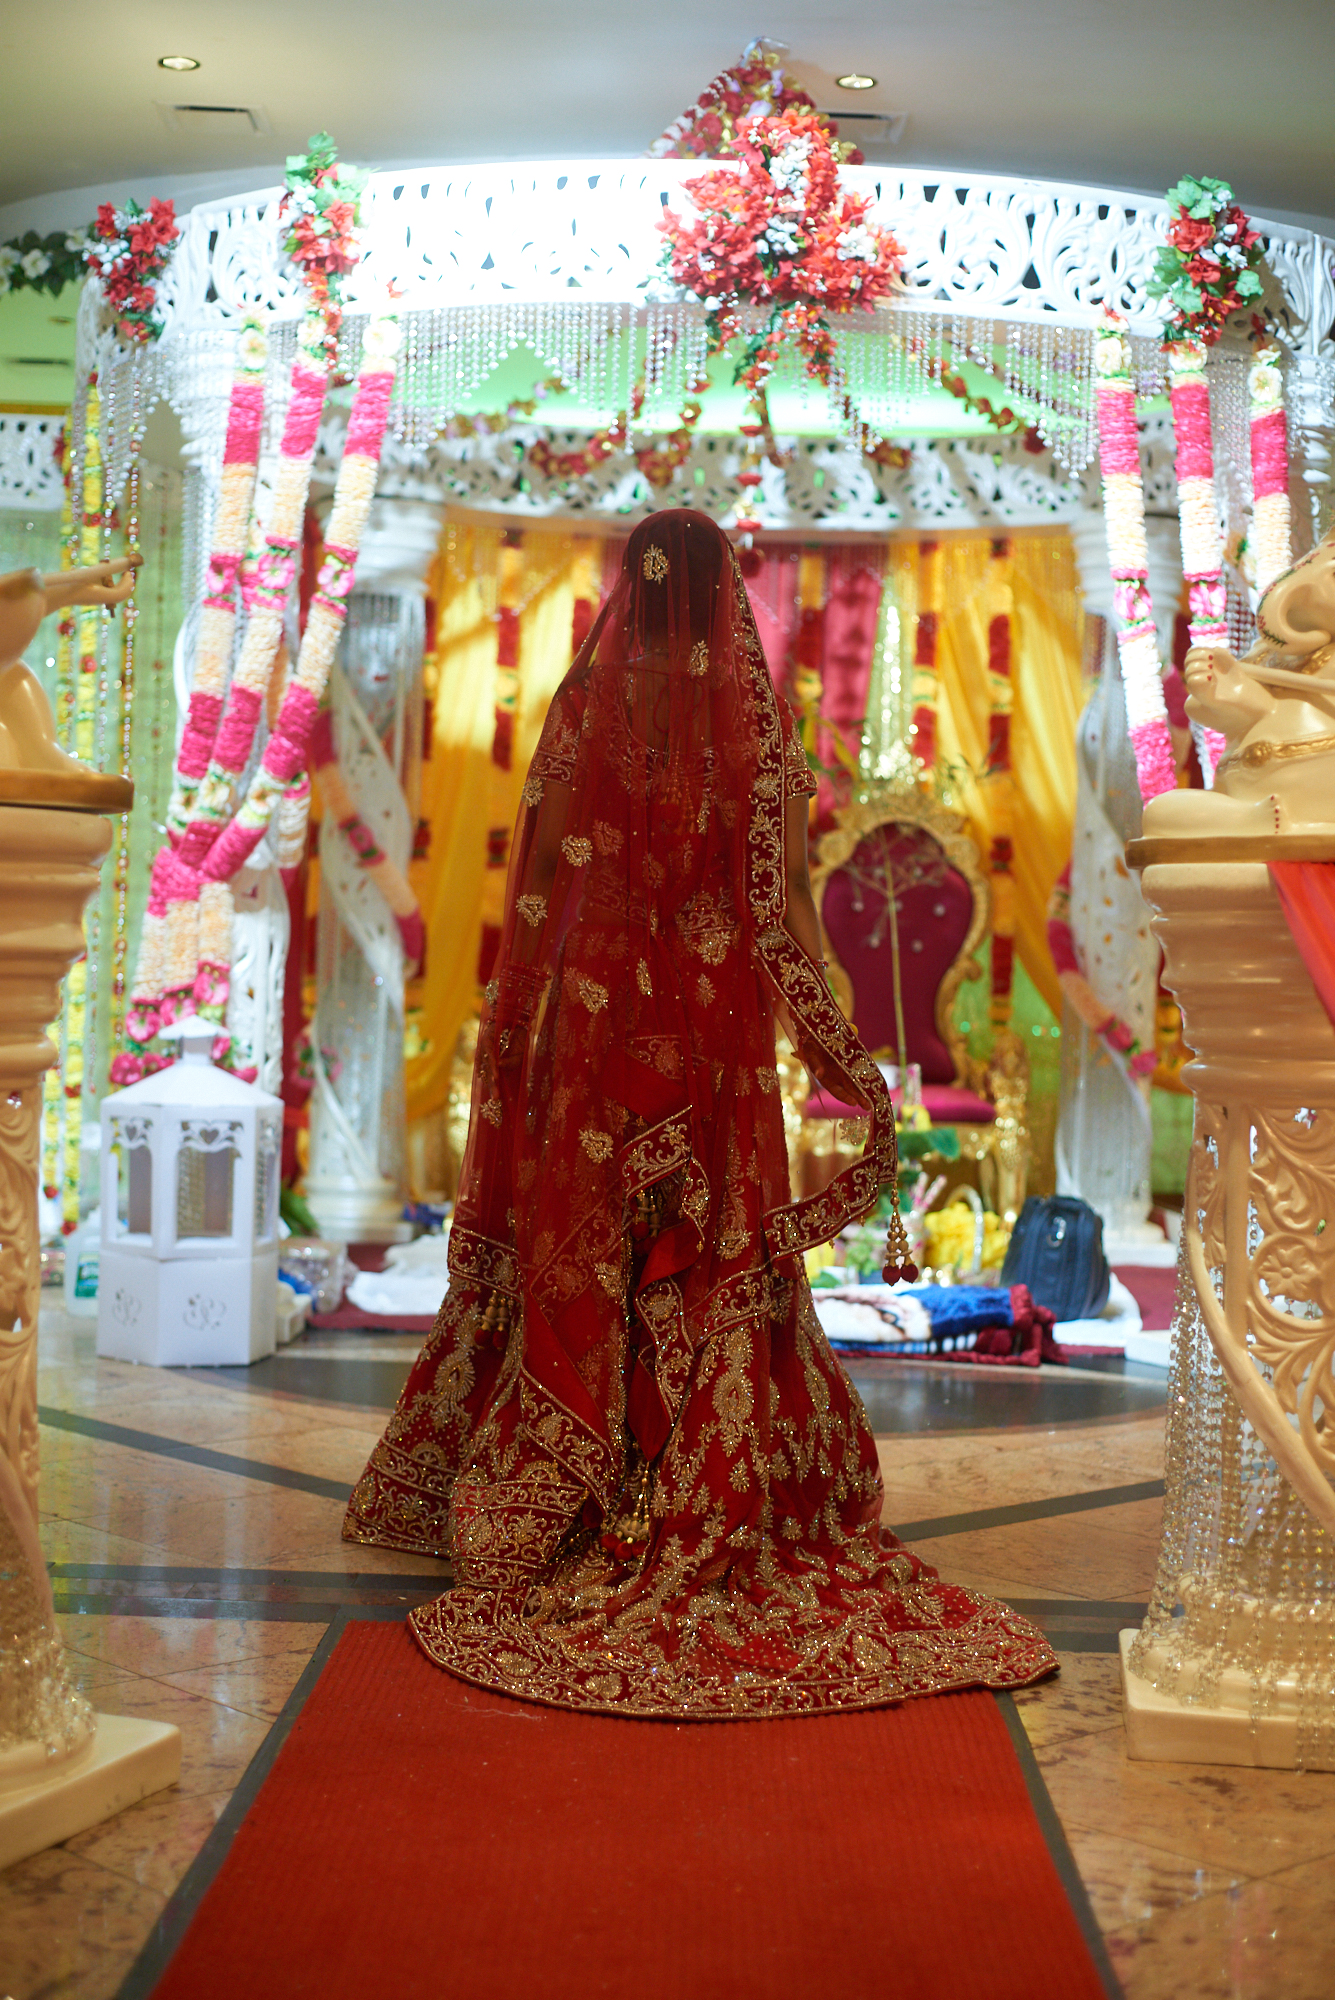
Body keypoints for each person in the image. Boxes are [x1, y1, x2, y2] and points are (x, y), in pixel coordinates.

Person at [345, 510, 1056, 1717]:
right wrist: (840, 1048)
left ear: (630, 592)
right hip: (712, 1040)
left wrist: (534, 1026)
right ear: (726, 601)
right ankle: (671, 1482)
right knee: (701, 1243)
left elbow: (543, 887)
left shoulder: (581, 714)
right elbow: (785, 915)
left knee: (590, 1237)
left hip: (591, 1030)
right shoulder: (753, 733)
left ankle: (563, 1490)